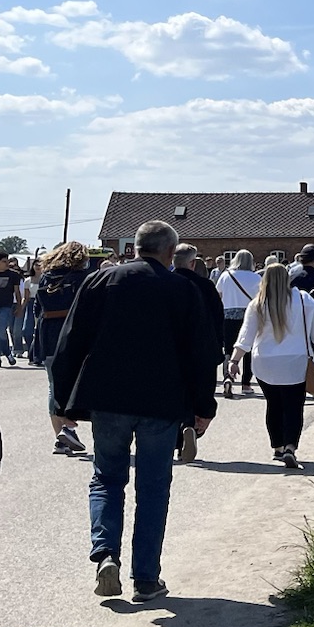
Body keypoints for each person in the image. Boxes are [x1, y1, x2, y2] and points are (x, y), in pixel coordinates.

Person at [49, 220, 218, 603]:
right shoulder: (182, 288)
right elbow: (201, 353)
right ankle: (145, 577)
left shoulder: (99, 282)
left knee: (107, 479)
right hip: (163, 402)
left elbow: (70, 342)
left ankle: (106, 554)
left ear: (135, 247)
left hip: (108, 399)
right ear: (170, 253)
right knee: (153, 488)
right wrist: (202, 407)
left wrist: (62, 400)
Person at [230, 264, 314, 470]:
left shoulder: (258, 304)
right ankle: (291, 446)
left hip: (265, 363)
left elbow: (245, 338)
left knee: (273, 404)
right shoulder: (304, 299)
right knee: (294, 406)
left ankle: (277, 446)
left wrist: (234, 361)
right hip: (296, 361)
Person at [34, 242, 92, 455]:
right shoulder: (82, 279)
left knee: (54, 385)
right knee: (81, 383)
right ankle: (71, 427)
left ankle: (61, 435)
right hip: (74, 336)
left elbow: (37, 310)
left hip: (48, 335)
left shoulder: (46, 278)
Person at [172, 245, 225, 461]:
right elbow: (217, 318)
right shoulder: (205, 285)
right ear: (193, 263)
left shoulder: (167, 283)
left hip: (174, 350)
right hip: (203, 349)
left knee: (176, 392)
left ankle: (179, 433)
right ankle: (194, 424)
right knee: (200, 390)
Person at [216, 250, 262, 397]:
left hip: (228, 315)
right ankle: (246, 384)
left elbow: (219, 295)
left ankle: (227, 377)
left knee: (229, 350)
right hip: (249, 315)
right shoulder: (256, 277)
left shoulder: (226, 275)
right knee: (248, 349)